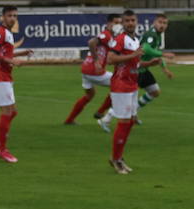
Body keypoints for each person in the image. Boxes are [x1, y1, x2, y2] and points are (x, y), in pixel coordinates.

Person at [0, 5, 33, 163]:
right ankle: (2, 149)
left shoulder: (7, 33)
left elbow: (6, 53)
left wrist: (21, 53)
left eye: (15, 15)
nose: (13, 18)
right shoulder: (0, 32)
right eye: (9, 15)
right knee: (7, 112)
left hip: (5, 76)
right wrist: (12, 61)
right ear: (3, 17)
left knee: (12, 112)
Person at [103, 11, 142, 173]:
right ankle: (115, 159)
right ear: (123, 23)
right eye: (127, 21)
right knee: (124, 123)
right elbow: (111, 59)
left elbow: (135, 62)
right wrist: (134, 55)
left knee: (131, 121)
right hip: (121, 85)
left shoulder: (134, 40)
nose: (130, 23)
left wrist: (150, 63)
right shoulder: (120, 39)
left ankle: (119, 157)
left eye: (132, 20)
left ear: (136, 21)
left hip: (132, 84)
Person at [64, 14, 119, 125]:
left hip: (85, 69)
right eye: (116, 22)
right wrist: (96, 61)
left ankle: (69, 120)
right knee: (119, 85)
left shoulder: (111, 36)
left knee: (90, 95)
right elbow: (91, 42)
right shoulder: (106, 35)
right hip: (94, 70)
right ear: (109, 23)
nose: (118, 25)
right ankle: (100, 112)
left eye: (120, 23)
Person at [135, 13, 176, 118]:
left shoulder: (157, 35)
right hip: (135, 70)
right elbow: (146, 48)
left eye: (165, 23)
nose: (162, 25)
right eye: (160, 22)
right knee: (126, 97)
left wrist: (165, 69)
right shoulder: (151, 34)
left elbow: (155, 52)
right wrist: (164, 54)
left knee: (155, 91)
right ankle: (106, 119)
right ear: (154, 23)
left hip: (143, 69)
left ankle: (133, 112)